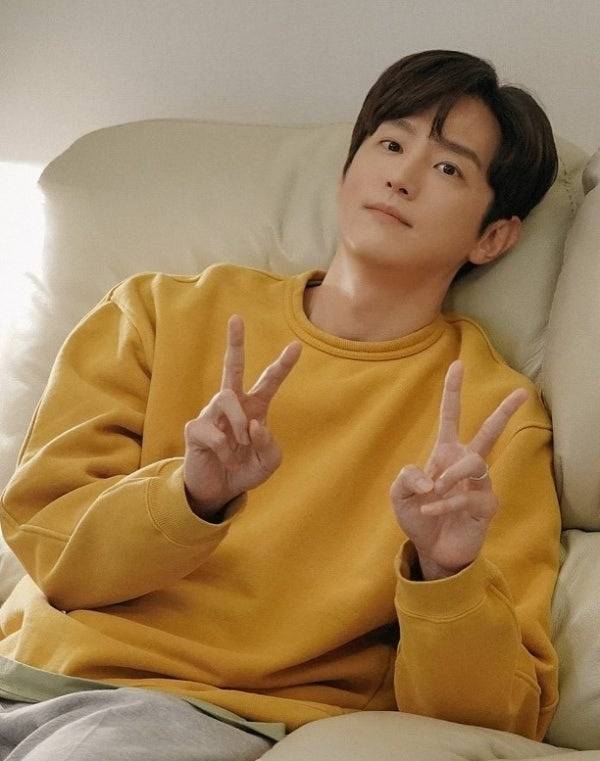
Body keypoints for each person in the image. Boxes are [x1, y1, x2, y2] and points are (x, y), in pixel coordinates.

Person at [0, 48, 561, 759]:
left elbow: (503, 715)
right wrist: (191, 495)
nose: (402, 176)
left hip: (196, 716)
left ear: (494, 236)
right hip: (30, 673)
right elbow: (46, 543)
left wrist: (445, 574)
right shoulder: (155, 312)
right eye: (390, 144)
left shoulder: (495, 422)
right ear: (348, 170)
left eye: (449, 168)